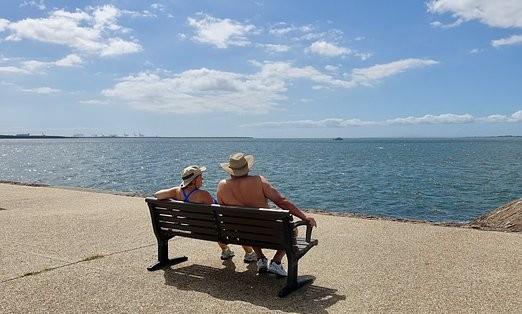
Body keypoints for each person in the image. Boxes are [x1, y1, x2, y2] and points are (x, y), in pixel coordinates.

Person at [216, 152, 317, 277]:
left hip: (241, 233)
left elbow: (225, 213)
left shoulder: (222, 186)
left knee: (247, 225)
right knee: (291, 230)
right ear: (247, 168)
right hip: (268, 233)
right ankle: (276, 261)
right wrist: (304, 217)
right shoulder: (259, 181)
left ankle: (261, 259)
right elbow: (281, 201)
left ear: (230, 170)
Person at [154, 165, 257, 262]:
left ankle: (226, 251)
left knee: (216, 227)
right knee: (232, 226)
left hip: (194, 228)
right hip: (213, 229)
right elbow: (216, 214)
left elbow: (157, 195)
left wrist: (175, 198)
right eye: (200, 177)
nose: (203, 179)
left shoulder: (177, 191)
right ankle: (249, 253)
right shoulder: (203, 195)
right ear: (194, 181)